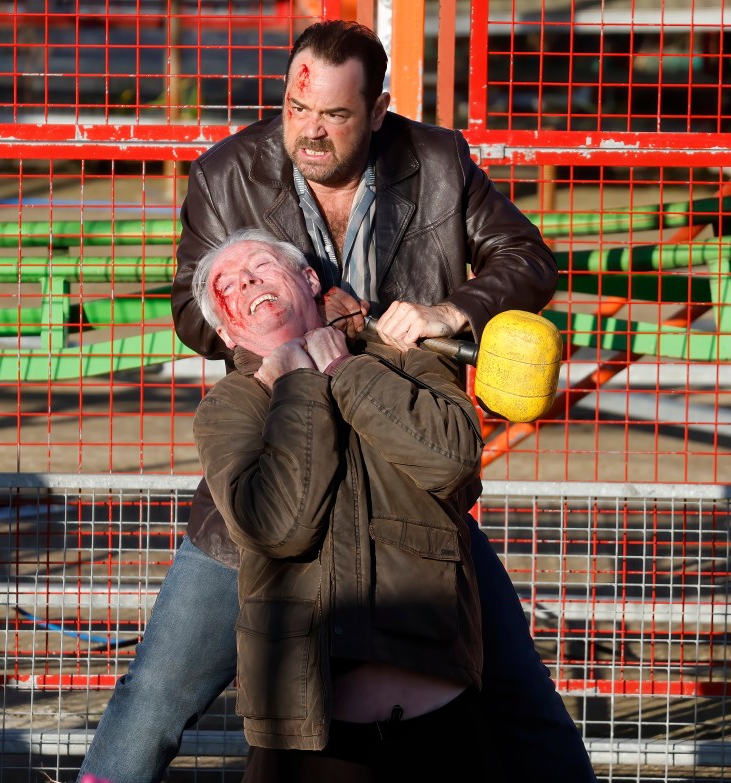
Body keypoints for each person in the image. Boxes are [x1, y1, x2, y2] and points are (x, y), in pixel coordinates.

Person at [79, 19, 597, 783]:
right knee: (155, 693)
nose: (310, 132)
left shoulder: (438, 162)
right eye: (296, 108)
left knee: (519, 696)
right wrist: (275, 335)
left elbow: (527, 257)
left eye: (335, 115)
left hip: (402, 478)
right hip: (282, 450)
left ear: (379, 109)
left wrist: (449, 312)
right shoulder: (226, 174)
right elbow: (195, 308)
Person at [191, 230, 496, 781]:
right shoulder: (228, 408)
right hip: (310, 736)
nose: (249, 282)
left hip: (442, 722)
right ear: (223, 328)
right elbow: (279, 526)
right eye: (229, 285)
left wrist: (347, 371)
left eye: (261, 266)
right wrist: (302, 384)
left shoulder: (404, 358)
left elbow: (453, 460)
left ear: (310, 280)